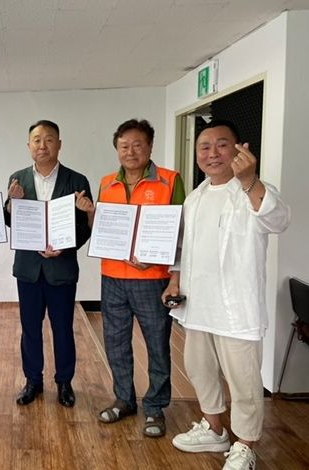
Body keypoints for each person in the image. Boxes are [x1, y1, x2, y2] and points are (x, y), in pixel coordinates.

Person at [165, 120, 290, 469]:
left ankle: (245, 444)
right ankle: (214, 428)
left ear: (239, 149)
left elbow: (279, 220)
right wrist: (175, 280)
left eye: (221, 145)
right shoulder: (196, 197)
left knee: (244, 381)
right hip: (198, 304)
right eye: (204, 147)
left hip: (236, 309)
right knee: (199, 370)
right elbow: (184, 248)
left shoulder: (252, 190)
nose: (212, 153)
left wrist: (250, 181)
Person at [76, 118, 185, 437]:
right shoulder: (107, 182)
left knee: (157, 345)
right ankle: (124, 399)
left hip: (153, 279)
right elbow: (102, 230)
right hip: (112, 277)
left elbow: (181, 234)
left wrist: (174, 277)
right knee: (116, 342)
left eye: (138, 145)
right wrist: (91, 213)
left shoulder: (170, 180)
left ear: (150, 146)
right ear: (117, 149)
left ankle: (155, 407)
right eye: (124, 146)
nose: (131, 151)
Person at [5, 119, 92, 407]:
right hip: (28, 269)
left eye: (49, 139)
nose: (43, 145)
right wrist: (12, 204)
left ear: (59, 144)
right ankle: (33, 381)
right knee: (30, 328)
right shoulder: (17, 178)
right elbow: (11, 222)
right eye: (37, 140)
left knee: (63, 328)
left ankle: (64, 382)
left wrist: (65, 247)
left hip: (61, 268)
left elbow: (85, 227)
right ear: (29, 145)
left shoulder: (77, 180)